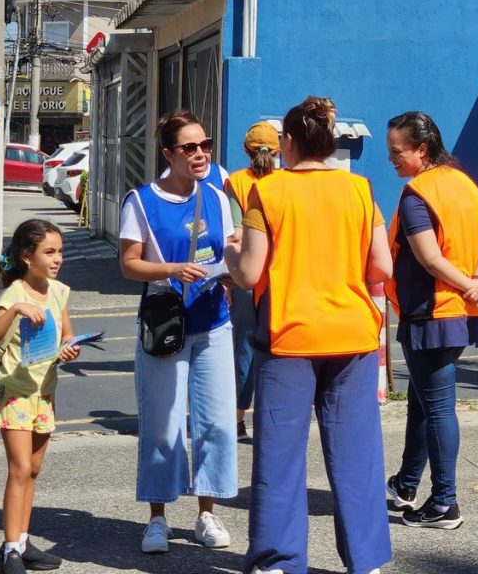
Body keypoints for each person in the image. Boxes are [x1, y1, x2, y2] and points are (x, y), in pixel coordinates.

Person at [225, 96, 393, 574]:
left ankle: (279, 560)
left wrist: (230, 253)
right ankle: (366, 560)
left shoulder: (268, 191)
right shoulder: (359, 189)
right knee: (357, 455)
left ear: (290, 143)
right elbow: (381, 267)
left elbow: (250, 273)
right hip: (353, 334)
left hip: (290, 337)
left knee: (279, 456)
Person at [119, 109, 239, 555]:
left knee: (216, 424)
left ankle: (207, 513)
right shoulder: (141, 201)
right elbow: (129, 264)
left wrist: (233, 268)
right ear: (169, 154)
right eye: (189, 147)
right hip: (165, 325)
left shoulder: (217, 196)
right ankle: (157, 518)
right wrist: (171, 269)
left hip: (213, 322)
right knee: (162, 425)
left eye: (205, 144)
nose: (201, 153)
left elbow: (228, 247)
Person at [383, 111, 478, 531]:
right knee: (422, 401)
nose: (391, 159)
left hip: (431, 313)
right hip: (456, 312)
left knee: (436, 408)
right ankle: (405, 484)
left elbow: (430, 258)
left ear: (421, 149)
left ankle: (444, 503)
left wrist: (474, 286)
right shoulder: (464, 184)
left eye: (397, 152)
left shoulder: (417, 194)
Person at [0, 219, 80, 574]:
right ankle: (10, 551)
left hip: (44, 392)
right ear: (27, 256)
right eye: (49, 252)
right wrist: (16, 310)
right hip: (16, 394)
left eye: (60, 252)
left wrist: (71, 348)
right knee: (20, 469)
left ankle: (22, 542)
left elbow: (67, 335)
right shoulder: (13, 295)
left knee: (33, 470)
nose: (57, 259)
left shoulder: (59, 291)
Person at [223, 121, 280, 443]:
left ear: (246, 150)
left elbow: (235, 233)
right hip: (281, 275)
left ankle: (238, 420)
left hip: (248, 277)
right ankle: (272, 418)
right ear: (278, 151)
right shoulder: (285, 182)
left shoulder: (237, 182)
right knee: (277, 349)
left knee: (244, 348)